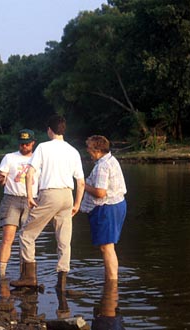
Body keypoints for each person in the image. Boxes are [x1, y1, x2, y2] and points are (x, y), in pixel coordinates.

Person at [11, 114, 85, 291]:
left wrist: (29, 196)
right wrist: (77, 204)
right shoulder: (73, 151)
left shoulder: (43, 148)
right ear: (63, 130)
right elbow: (81, 181)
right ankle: (62, 282)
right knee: (64, 239)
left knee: (26, 235)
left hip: (49, 194)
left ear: (49, 130)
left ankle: (29, 277)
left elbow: (30, 173)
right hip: (68, 195)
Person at [80, 135, 127, 281]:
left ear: (97, 150)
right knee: (107, 246)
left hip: (107, 208)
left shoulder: (102, 166)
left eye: (89, 148)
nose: (87, 151)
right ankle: (111, 279)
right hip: (117, 205)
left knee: (107, 247)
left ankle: (112, 281)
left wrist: (82, 185)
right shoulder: (111, 160)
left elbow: (100, 193)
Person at [0, 128, 38, 279]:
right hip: (11, 198)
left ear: (33, 143)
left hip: (31, 200)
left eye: (27, 144)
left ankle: (25, 274)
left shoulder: (39, 159)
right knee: (8, 238)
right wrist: (0, 179)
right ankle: (1, 274)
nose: (24, 147)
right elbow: (0, 178)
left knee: (27, 239)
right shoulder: (9, 157)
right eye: (21, 144)